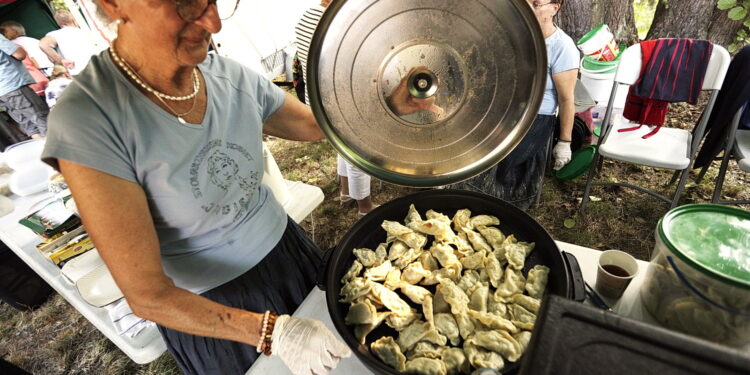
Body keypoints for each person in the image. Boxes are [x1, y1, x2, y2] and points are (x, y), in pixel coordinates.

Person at [40, 2, 349, 375]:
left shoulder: (226, 76)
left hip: (291, 255)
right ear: (112, 4)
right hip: (217, 311)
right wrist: (274, 331)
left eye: (215, 1)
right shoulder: (90, 121)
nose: (212, 23)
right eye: (185, 4)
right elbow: (148, 296)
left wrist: (384, 103)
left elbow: (314, 126)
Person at [451, 0, 578, 210]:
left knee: (499, 165)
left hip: (534, 118)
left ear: (554, 8)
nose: (529, 8)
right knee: (469, 153)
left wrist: (565, 141)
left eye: (536, 4)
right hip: (500, 110)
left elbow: (566, 99)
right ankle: (462, 200)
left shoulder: (562, 46)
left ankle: (493, 208)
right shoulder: (511, 36)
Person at [294, 0, 378, 217]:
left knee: (341, 147)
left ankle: (346, 192)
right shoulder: (336, 23)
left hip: (319, 100)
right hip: (341, 100)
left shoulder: (305, 17)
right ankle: (365, 208)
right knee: (358, 153)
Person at [0, 34, 48, 139]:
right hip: (13, 84)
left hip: (2, 93)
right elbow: (19, 54)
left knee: (29, 125)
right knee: (42, 119)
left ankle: (48, 153)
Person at [40, 10, 99, 75]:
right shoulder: (88, 31)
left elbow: (43, 44)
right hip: (98, 67)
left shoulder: (56, 34)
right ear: (73, 20)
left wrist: (61, 60)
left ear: (58, 23)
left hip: (79, 73)